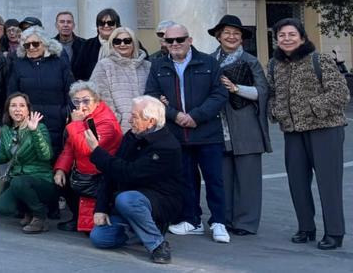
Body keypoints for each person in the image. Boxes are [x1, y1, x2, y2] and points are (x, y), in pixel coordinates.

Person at [145, 22, 230, 243]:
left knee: (214, 179)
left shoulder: (209, 63)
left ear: (189, 40)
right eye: (169, 40)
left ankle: (219, 222)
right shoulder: (158, 66)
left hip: (207, 133)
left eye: (179, 40)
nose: (175, 44)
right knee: (186, 179)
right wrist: (175, 115)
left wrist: (196, 116)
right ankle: (192, 220)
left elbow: (219, 95)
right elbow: (151, 95)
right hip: (176, 133)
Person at [267, 18, 348, 250]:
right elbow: (272, 94)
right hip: (292, 132)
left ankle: (334, 232)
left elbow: (340, 93)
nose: (287, 39)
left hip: (325, 129)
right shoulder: (274, 65)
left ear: (302, 37)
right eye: (282, 35)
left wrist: (311, 108)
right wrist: (277, 111)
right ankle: (306, 228)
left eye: (292, 34)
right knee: (297, 183)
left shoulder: (319, 59)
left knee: (328, 183)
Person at [87, 96, 183, 265]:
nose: (130, 120)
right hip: (129, 201)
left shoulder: (167, 146)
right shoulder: (132, 135)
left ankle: (157, 244)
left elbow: (129, 173)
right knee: (99, 238)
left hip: (159, 201)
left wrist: (97, 151)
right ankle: (141, 229)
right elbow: (111, 173)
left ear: (151, 121)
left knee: (127, 200)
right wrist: (100, 208)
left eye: (135, 116)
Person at [210, 14, 271, 236]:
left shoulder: (250, 61)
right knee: (222, 176)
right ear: (219, 36)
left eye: (236, 33)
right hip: (219, 125)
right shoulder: (209, 61)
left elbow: (263, 91)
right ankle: (223, 218)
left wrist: (237, 89)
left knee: (248, 178)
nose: (231, 37)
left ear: (242, 38)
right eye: (227, 33)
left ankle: (245, 222)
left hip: (246, 126)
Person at [0, 93, 56, 233]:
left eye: (22, 106)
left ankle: (40, 217)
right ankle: (29, 211)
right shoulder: (6, 130)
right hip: (19, 180)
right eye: (13, 106)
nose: (17, 109)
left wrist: (34, 132)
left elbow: (46, 156)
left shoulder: (39, 128)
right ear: (8, 110)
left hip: (41, 180)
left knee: (18, 182)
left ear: (28, 110)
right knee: (3, 207)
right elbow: (3, 156)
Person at [53, 81, 123, 232]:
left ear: (97, 100)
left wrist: (75, 124)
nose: (81, 105)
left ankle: (89, 223)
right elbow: (70, 146)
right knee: (60, 180)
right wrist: (61, 169)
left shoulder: (106, 122)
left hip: (100, 174)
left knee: (93, 227)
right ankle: (78, 218)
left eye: (86, 100)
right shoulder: (84, 116)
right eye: (76, 101)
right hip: (83, 172)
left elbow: (86, 149)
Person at [7, 28, 72, 154]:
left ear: (45, 43)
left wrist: (65, 112)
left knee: (57, 156)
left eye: (35, 43)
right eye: (27, 45)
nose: (31, 47)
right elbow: (12, 94)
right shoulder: (18, 65)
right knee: (33, 156)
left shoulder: (59, 62)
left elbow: (70, 90)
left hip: (57, 121)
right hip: (29, 121)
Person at [90, 25, 149, 134]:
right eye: (117, 41)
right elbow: (99, 96)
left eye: (127, 41)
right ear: (112, 44)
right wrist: (117, 120)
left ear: (134, 43)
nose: (122, 44)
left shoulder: (147, 66)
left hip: (147, 127)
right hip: (119, 129)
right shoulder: (104, 65)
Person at [54, 11, 96, 82]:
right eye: (62, 22)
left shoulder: (85, 45)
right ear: (56, 25)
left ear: (73, 25)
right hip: (56, 87)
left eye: (69, 22)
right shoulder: (49, 45)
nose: (65, 25)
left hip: (79, 87)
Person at [80, 9, 120, 77]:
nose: (106, 26)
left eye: (110, 23)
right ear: (97, 27)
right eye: (102, 23)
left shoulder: (127, 42)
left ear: (117, 25)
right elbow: (78, 72)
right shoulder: (87, 45)